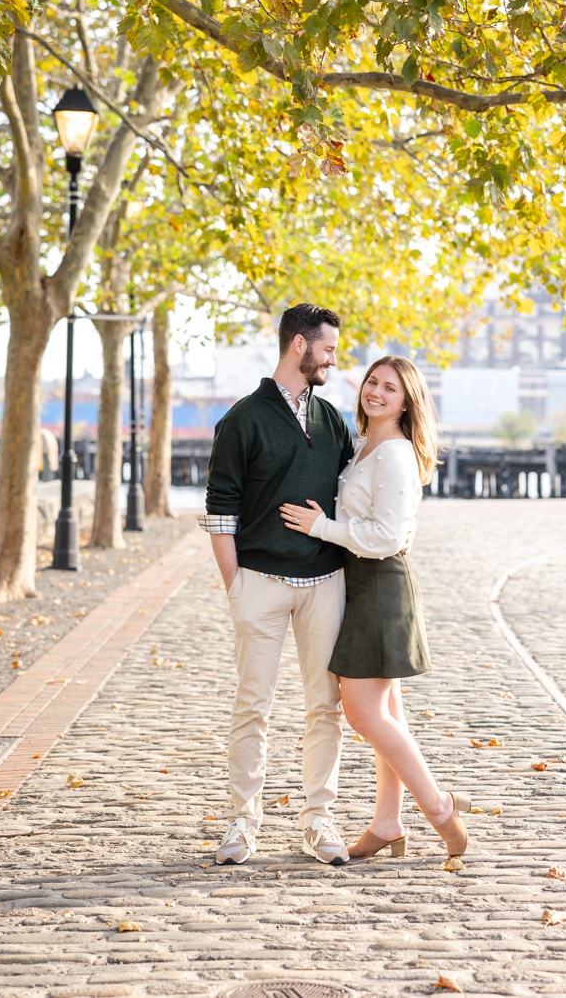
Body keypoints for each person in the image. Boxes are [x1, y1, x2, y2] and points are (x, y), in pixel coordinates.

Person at [280, 355, 469, 861]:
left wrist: (320, 527)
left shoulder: (395, 454)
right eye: (372, 382)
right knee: (389, 714)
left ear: (407, 401)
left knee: (364, 712)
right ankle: (387, 822)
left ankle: (439, 806)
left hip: (380, 588)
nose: (377, 392)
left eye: (390, 388)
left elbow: (385, 537)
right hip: (359, 582)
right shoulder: (367, 445)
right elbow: (394, 521)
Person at [201, 302, 357, 866]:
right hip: (260, 583)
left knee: (326, 706)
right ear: (299, 345)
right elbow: (221, 511)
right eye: (328, 349)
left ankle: (318, 817)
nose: (333, 359)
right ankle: (243, 821)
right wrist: (235, 586)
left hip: (325, 583)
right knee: (253, 706)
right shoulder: (243, 419)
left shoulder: (333, 418)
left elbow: (359, 485)